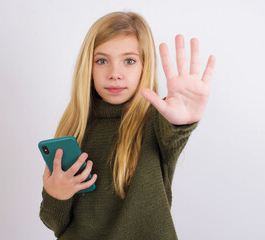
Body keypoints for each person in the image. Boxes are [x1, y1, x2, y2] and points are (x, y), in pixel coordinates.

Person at [39, 11, 215, 239]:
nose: (115, 74)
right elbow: (56, 224)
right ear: (88, 68)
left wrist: (182, 123)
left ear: (144, 66)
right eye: (102, 61)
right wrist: (56, 195)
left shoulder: (155, 121)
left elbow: (173, 136)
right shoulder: (75, 129)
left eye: (129, 61)